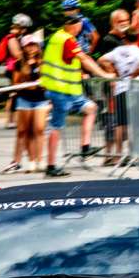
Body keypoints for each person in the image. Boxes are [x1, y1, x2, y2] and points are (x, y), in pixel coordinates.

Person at [41, 14, 115, 178]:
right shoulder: (67, 39)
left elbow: (71, 59)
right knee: (56, 126)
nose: (81, 29)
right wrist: (104, 74)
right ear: (76, 25)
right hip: (61, 90)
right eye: (80, 26)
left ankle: (85, 147)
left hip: (70, 90)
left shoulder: (57, 37)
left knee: (91, 108)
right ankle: (51, 166)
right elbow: (83, 59)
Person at [98, 28, 139, 164]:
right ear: (137, 38)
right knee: (136, 122)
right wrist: (134, 74)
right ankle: (135, 154)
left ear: (124, 38)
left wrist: (113, 71)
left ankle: (118, 155)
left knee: (120, 124)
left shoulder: (117, 51)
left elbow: (101, 60)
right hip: (136, 89)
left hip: (121, 88)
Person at [6, 35, 50, 174]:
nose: (31, 48)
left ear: (38, 46)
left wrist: (43, 84)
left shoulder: (44, 62)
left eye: (34, 45)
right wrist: (28, 85)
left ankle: (40, 160)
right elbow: (15, 83)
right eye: (28, 45)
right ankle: (31, 161)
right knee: (27, 131)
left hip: (41, 99)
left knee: (39, 129)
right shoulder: (19, 63)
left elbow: (48, 81)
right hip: (24, 99)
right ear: (24, 47)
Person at [0, 14, 31, 129]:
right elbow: (17, 55)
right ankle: (10, 120)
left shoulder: (18, 37)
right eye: (24, 27)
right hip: (14, 70)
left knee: (17, 93)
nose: (25, 30)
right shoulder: (12, 38)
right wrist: (26, 53)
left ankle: (16, 119)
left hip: (18, 69)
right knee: (14, 94)